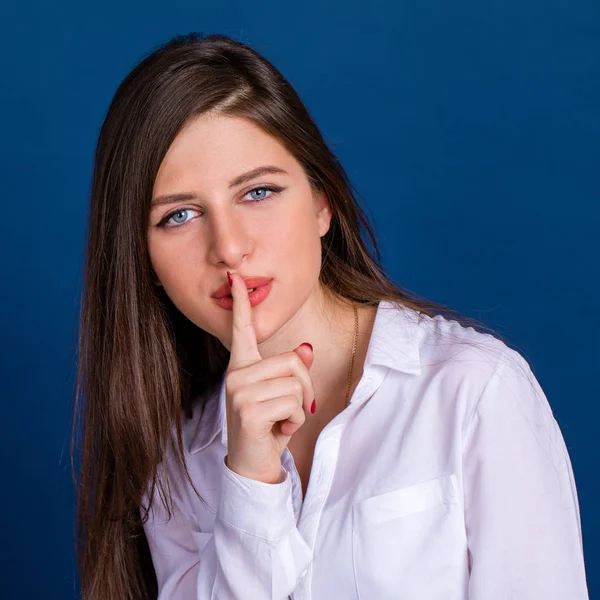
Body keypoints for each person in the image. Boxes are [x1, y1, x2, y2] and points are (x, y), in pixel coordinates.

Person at [72, 33, 589, 600]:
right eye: (181, 215)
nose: (229, 247)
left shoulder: (472, 393)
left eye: (258, 192)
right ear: (142, 259)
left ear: (323, 203)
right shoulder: (175, 463)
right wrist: (249, 483)